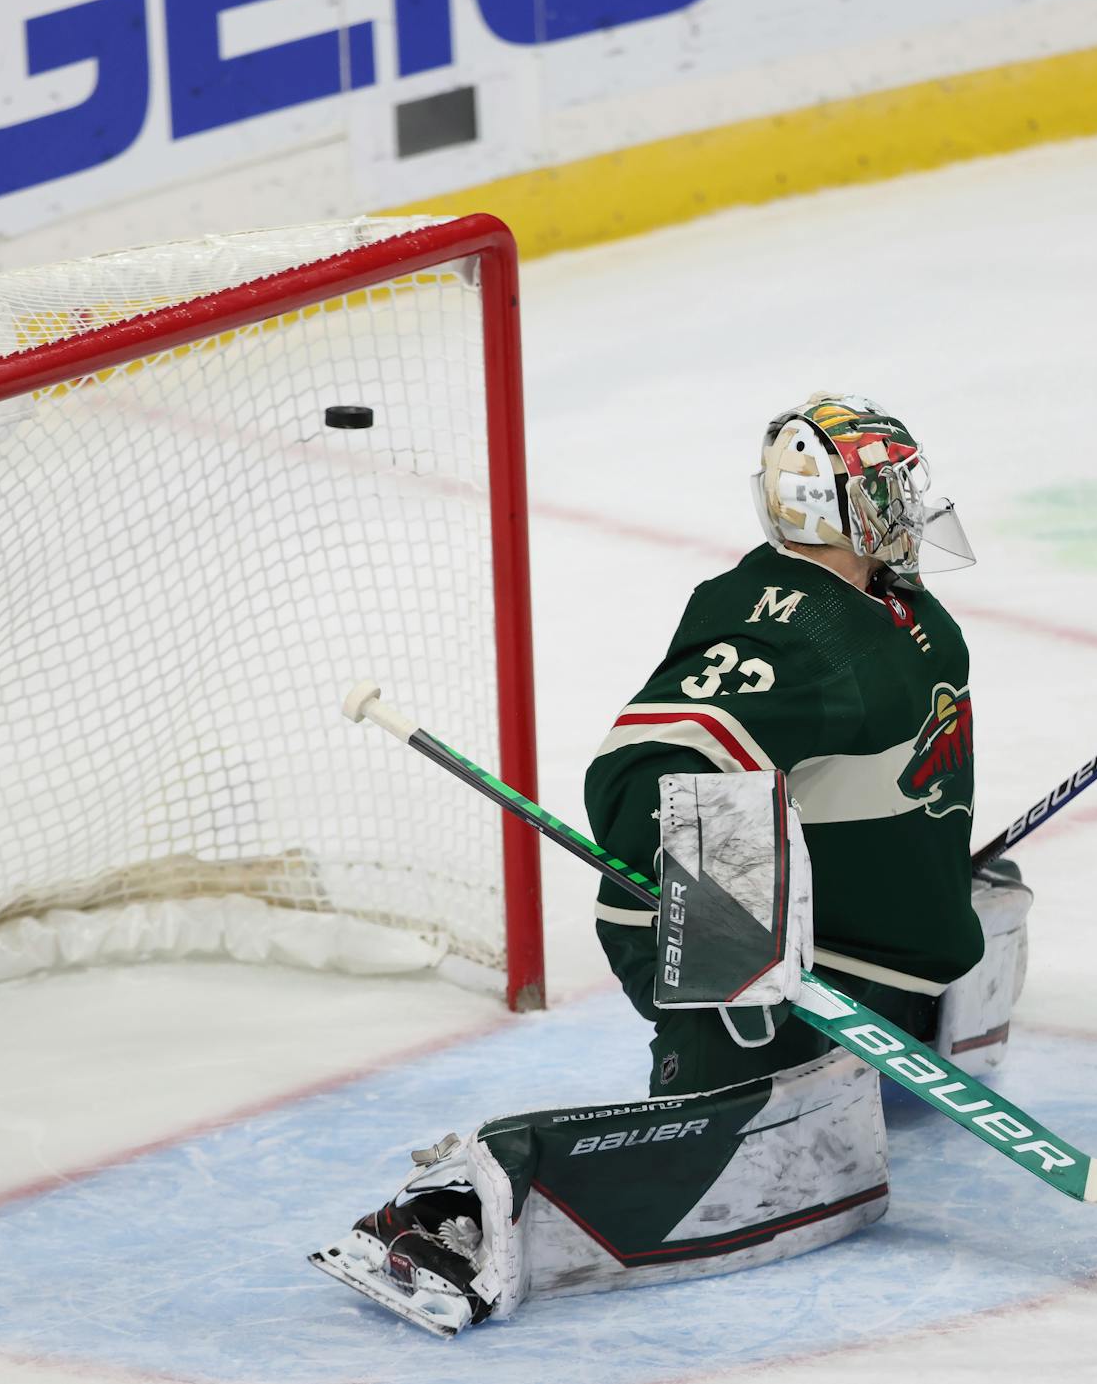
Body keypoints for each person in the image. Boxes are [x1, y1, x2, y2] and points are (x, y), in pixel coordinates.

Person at [311, 393, 1033, 1333]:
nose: (907, 508)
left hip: (860, 935)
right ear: (830, 509)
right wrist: (731, 920)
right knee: (729, 1071)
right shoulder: (796, 635)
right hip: (719, 935)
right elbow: (637, 773)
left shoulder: (894, 605)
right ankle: (452, 1216)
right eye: (885, 492)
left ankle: (876, 964)